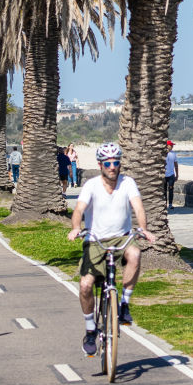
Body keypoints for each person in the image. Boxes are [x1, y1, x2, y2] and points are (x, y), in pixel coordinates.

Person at [68, 142, 156, 356]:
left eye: (116, 162)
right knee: (86, 285)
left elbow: (138, 207)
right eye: (108, 163)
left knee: (135, 253)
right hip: (95, 239)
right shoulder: (91, 185)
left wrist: (143, 229)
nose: (112, 166)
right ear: (100, 165)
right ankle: (90, 330)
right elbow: (79, 209)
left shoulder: (128, 183)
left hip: (122, 238)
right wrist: (76, 228)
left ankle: (124, 303)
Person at [164, 140, 179, 208]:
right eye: (171, 145)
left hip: (171, 175)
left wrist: (177, 174)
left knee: (171, 189)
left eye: (172, 145)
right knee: (164, 190)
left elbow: (176, 164)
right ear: (167, 146)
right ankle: (164, 204)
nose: (172, 146)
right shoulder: (163, 153)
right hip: (164, 175)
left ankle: (170, 204)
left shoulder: (173, 154)